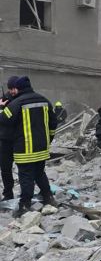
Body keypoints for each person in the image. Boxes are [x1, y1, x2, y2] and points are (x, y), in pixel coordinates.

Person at [0, 76, 57, 217]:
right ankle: (49, 198)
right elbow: (53, 123)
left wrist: (1, 108)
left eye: (13, 88)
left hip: (25, 148)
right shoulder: (44, 100)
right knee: (39, 173)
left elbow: (4, 120)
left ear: (18, 88)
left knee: (26, 177)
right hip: (42, 148)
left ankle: (24, 205)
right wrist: (48, 140)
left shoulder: (17, 103)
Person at [0, 76, 19, 201]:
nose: (12, 91)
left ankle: (25, 194)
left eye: (14, 88)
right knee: (5, 169)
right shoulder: (5, 99)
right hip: (5, 140)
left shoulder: (21, 100)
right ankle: (8, 194)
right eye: (10, 88)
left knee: (24, 169)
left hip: (18, 140)